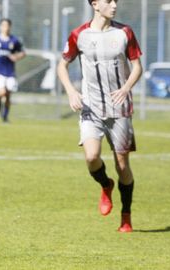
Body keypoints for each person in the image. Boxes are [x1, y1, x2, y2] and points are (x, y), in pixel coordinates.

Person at [57, 0, 142, 233]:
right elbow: (62, 66)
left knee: (122, 165)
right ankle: (106, 185)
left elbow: (137, 67)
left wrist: (125, 88)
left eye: (116, 1)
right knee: (92, 157)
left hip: (120, 109)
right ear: (95, 4)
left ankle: (126, 216)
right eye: (108, 1)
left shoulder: (124, 32)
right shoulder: (79, 35)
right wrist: (71, 91)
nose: (114, 5)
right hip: (91, 109)